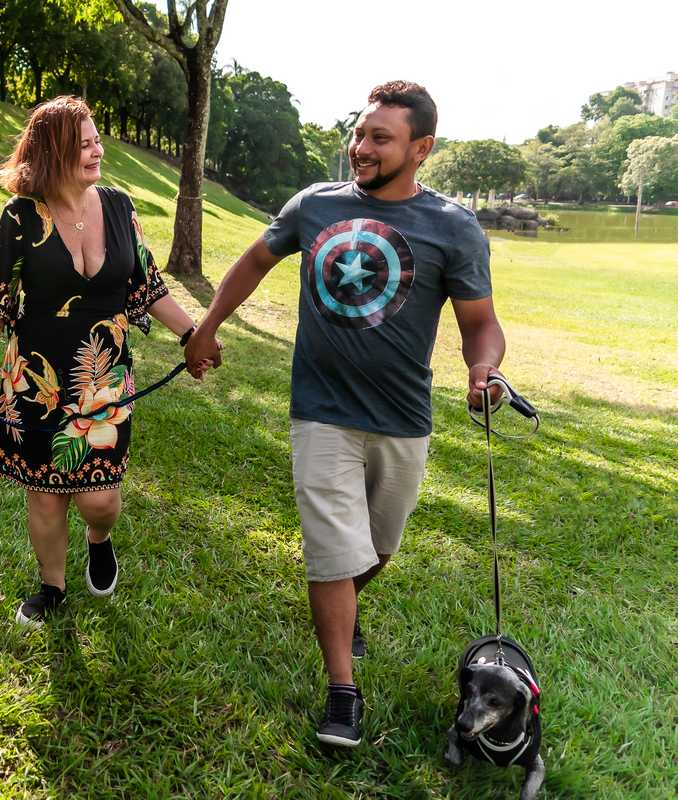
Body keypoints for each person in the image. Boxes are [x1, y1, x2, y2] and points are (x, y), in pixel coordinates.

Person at [184, 81, 507, 747]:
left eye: (378, 138)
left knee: (377, 547)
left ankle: (347, 606)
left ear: (422, 148)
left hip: (402, 417)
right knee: (332, 551)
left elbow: (482, 324)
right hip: (320, 410)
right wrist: (207, 326)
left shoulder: (453, 227)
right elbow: (252, 261)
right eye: (359, 133)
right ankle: (342, 693)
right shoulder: (316, 205)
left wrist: (485, 368)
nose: (359, 147)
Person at [0, 96, 213, 629]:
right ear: (53, 153)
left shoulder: (119, 207)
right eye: (85, 144)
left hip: (103, 377)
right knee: (46, 498)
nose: (98, 151)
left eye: (98, 140)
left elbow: (148, 284)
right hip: (35, 379)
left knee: (98, 498)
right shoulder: (21, 216)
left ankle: (100, 539)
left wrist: (193, 334)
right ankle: (52, 586)